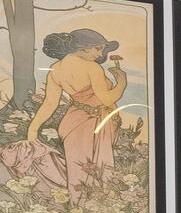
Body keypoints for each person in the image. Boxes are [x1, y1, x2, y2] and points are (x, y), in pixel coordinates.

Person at [24, 27, 127, 199]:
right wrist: (122, 82)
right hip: (92, 123)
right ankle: (97, 209)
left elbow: (49, 104)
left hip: (72, 122)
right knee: (99, 168)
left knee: (77, 169)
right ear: (84, 47)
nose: (100, 53)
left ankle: (78, 208)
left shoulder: (56, 69)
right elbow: (106, 99)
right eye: (98, 48)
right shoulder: (92, 68)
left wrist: (33, 129)